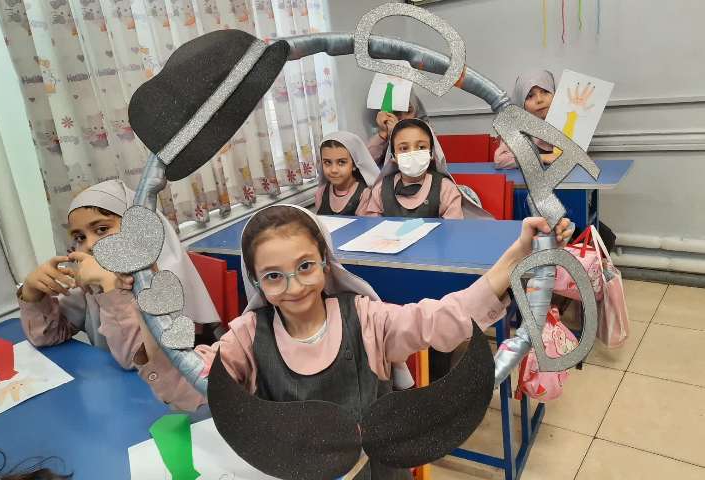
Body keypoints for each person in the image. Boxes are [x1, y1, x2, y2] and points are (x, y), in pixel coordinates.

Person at [166, 204, 573, 479]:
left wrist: (518, 253)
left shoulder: (365, 318)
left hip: (376, 472)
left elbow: (441, 318)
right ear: (256, 281)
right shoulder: (246, 336)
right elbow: (194, 383)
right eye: (274, 276)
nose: (293, 287)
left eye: (305, 267)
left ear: (326, 264)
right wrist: (144, 321)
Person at [18, 180, 218, 411]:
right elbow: (47, 336)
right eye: (80, 237)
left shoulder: (164, 280)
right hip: (126, 400)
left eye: (102, 229)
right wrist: (32, 293)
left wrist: (110, 288)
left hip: (178, 406)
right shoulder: (92, 284)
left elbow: (135, 359)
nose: (89, 245)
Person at [360, 118, 491, 219]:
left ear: (432, 153)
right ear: (393, 156)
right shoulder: (381, 189)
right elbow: (373, 227)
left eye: (421, 147)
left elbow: (453, 230)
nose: (413, 153)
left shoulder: (445, 189)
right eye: (404, 148)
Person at [494, 69, 559, 169]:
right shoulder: (516, 128)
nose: (539, 100)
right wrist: (543, 158)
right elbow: (500, 160)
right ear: (521, 103)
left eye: (545, 91)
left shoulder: (566, 121)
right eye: (530, 96)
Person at [315, 131, 379, 216]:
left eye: (341, 162)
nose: (334, 170)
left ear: (354, 164)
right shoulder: (321, 193)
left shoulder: (365, 194)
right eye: (327, 162)